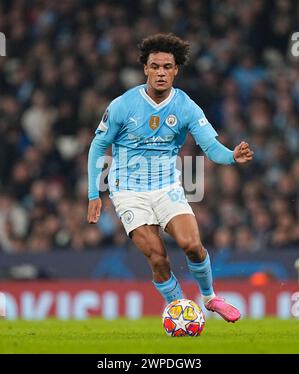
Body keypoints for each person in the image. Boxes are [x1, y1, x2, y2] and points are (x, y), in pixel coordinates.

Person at [87, 33, 253, 322]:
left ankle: (210, 298)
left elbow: (211, 147)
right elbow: (98, 146)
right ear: (146, 69)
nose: (161, 73)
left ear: (176, 69)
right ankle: (181, 309)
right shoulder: (123, 105)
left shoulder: (186, 106)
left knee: (192, 245)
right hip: (128, 190)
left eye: (167, 67)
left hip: (167, 186)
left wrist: (231, 156)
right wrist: (93, 194)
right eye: (155, 66)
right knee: (157, 255)